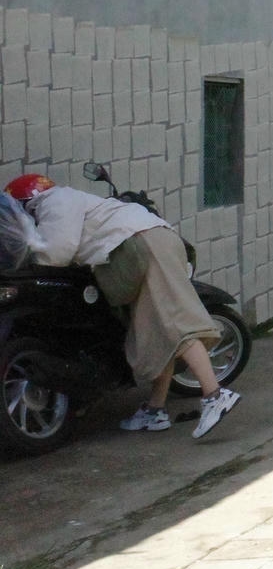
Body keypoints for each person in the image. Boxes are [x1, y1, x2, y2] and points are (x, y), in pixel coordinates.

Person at [4, 175, 241, 438]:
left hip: (141, 244)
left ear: (25, 202)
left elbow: (58, 252)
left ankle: (214, 395)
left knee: (174, 323)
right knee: (156, 330)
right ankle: (154, 410)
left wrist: (24, 259)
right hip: (147, 242)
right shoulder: (69, 199)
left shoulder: (54, 201)